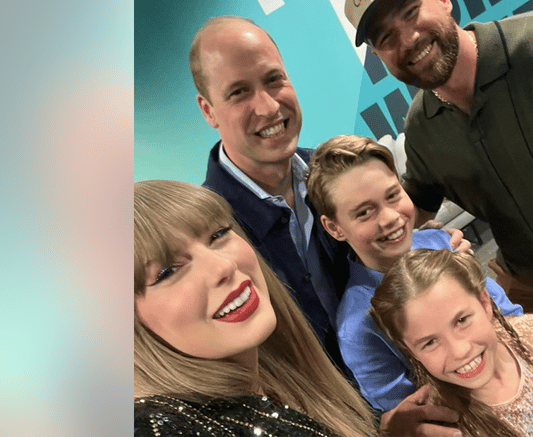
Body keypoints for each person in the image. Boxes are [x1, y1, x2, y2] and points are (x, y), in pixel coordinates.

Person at [188, 15, 468, 376]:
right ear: (208, 110)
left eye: (274, 80)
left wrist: (432, 251)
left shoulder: (336, 175)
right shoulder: (205, 233)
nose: (269, 107)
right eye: (239, 92)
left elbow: (388, 261)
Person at [134, 180, 465, 437]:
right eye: (167, 271)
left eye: (218, 235)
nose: (222, 267)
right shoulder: (155, 424)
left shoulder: (279, 380)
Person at [343, 0, 533, 312]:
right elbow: (412, 209)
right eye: (386, 38)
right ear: (380, 56)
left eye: (412, 12)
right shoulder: (421, 129)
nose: (409, 39)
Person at [306, 134, 523, 412]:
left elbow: (507, 313)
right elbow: (409, 413)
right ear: (334, 227)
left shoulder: (441, 242)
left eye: (393, 196)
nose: (391, 218)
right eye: (364, 212)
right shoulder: (357, 326)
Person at [371, 249, 533, 436]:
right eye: (429, 343)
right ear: (411, 352)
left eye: (462, 321)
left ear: (485, 303)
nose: (459, 351)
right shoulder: (439, 426)